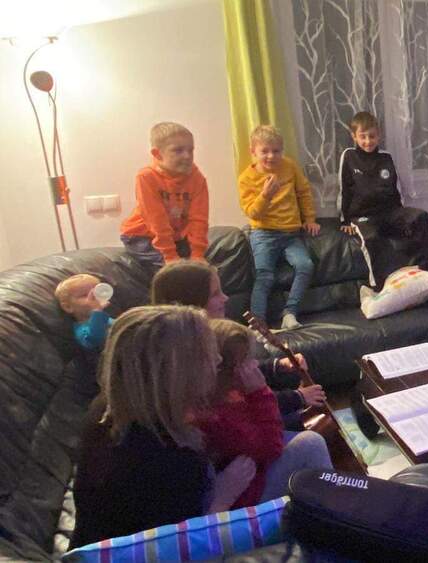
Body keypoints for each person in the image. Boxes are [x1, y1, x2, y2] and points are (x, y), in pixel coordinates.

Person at [71, 306, 256, 547]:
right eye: (209, 354)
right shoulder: (170, 462)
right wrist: (224, 494)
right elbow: (181, 548)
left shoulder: (107, 408)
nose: (219, 359)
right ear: (179, 371)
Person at [149, 260, 326, 420]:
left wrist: (278, 365)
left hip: (254, 419)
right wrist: (297, 397)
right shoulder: (198, 357)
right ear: (192, 303)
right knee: (313, 435)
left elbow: (242, 373)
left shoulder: (207, 337)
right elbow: (243, 404)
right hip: (243, 429)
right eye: (215, 294)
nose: (225, 298)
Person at [199, 319, 332, 508]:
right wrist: (259, 392)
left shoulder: (223, 391)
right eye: (248, 360)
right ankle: (329, 511)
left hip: (253, 465)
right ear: (231, 369)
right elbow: (272, 447)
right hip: (246, 495)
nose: (255, 364)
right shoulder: (221, 416)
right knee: (312, 443)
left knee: (302, 430)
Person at [338, 111, 428, 288]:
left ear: (378, 135)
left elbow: (395, 188)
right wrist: (344, 220)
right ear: (354, 136)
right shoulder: (348, 156)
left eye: (372, 136)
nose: (368, 141)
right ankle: (381, 287)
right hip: (363, 216)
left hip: (389, 211)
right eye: (363, 137)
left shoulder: (386, 157)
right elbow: (344, 190)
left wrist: (403, 216)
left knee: (422, 217)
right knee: (373, 238)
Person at [238, 125, 320, 330]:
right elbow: (252, 213)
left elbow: (304, 192)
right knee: (264, 276)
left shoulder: (289, 166)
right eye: (264, 151)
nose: (271, 156)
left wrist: (310, 219)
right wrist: (265, 195)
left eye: (276, 151)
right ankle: (258, 323)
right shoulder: (246, 178)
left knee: (305, 265)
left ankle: (289, 313)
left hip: (291, 234)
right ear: (253, 151)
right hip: (263, 233)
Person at [120, 122, 209, 268]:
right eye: (178, 150)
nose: (187, 156)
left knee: (199, 269)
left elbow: (199, 219)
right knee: (176, 273)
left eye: (191, 150)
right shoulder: (146, 177)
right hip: (141, 236)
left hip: (174, 237)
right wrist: (170, 256)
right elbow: (156, 221)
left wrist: (198, 254)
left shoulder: (197, 179)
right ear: (157, 154)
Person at [54, 274, 113, 351]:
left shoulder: (107, 319)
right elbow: (95, 339)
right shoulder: (81, 330)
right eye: (84, 295)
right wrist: (97, 311)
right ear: (68, 307)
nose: (93, 297)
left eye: (96, 292)